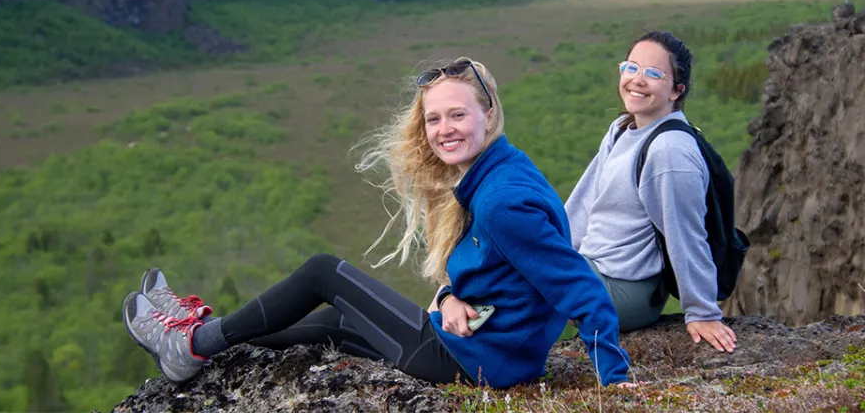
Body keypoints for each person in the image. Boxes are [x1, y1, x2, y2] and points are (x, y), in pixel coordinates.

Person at [122, 58, 633, 388]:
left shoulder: (503, 200)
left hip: (470, 362)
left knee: (325, 271)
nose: (443, 130)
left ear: (489, 112)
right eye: (433, 119)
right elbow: (503, 271)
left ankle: (187, 345)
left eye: (457, 115)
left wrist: (615, 379)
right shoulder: (503, 168)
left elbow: (578, 287)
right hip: (480, 347)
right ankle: (203, 339)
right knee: (329, 324)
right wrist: (449, 296)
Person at [564, 31, 738, 353]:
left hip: (627, 289)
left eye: (654, 74)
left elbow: (686, 235)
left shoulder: (669, 152)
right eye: (631, 68)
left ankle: (488, 357)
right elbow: (583, 205)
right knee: (522, 248)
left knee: (527, 263)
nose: (637, 80)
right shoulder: (621, 129)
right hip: (596, 267)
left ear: (676, 91)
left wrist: (701, 311)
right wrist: (552, 246)